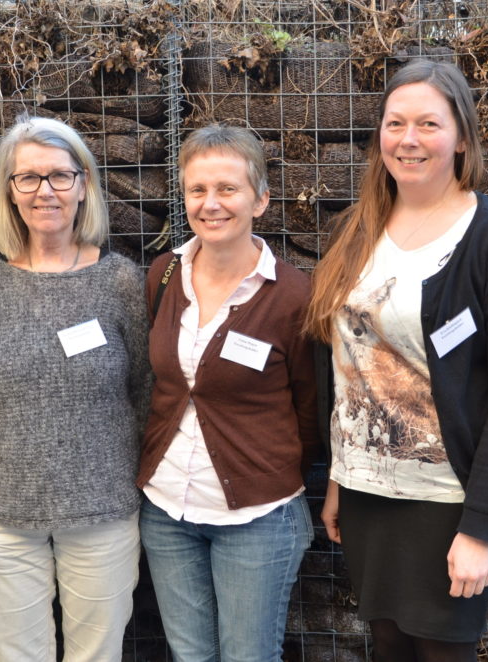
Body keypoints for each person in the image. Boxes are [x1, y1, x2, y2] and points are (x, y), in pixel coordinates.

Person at [305, 60, 488, 661]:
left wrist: (481, 528)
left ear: (461, 137)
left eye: (428, 124)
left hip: (445, 502)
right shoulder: (356, 229)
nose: (408, 139)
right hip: (366, 492)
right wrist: (339, 478)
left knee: (441, 651)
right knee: (387, 646)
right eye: (395, 123)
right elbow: (348, 364)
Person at [0, 115, 151, 662]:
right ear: (10, 191)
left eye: (59, 176)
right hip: (5, 513)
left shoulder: (121, 281)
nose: (44, 190)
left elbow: (145, 386)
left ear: (83, 184)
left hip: (103, 510)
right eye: (28, 177)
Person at [138, 124, 319, 661]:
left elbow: (312, 407)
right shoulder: (163, 277)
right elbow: (160, 384)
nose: (210, 203)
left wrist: (267, 470)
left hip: (257, 519)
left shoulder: (293, 296)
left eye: (227, 189)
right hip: (167, 511)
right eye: (197, 190)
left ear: (260, 200)